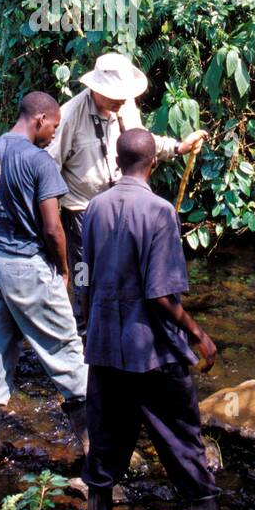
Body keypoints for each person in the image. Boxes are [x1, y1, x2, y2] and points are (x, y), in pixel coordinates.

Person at [81, 128, 226, 510]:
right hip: (153, 354)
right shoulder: (161, 211)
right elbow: (160, 295)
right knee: (183, 442)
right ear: (153, 163)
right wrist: (198, 334)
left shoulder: (93, 208)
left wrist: (87, 322)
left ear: (117, 160)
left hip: (105, 349)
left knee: (105, 443)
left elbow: (83, 276)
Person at [0, 92, 88, 466]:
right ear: (40, 119)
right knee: (65, 352)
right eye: (54, 127)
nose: (53, 135)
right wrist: (63, 269)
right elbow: (52, 228)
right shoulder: (39, 161)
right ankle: (94, 447)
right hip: (26, 265)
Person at [47, 52, 207, 328]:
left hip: (122, 207)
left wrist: (178, 148)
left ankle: (121, 327)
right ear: (96, 89)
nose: (121, 100)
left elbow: (141, 142)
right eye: (115, 95)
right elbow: (49, 167)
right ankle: (84, 326)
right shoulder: (70, 115)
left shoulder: (126, 106)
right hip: (81, 212)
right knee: (83, 273)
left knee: (123, 272)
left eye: (124, 95)